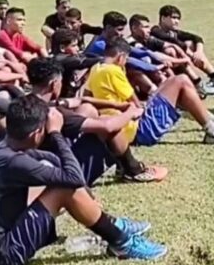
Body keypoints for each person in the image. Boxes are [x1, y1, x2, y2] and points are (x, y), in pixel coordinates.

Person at [0, 96, 168, 265]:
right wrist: (56, 133)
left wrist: (87, 196)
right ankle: (121, 243)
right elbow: (73, 179)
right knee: (64, 189)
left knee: (55, 167)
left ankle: (112, 224)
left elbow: (48, 158)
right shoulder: (10, 161)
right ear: (36, 133)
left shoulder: (1, 148)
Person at [27, 58, 167, 184]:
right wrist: (131, 112)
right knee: (108, 122)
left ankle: (123, 166)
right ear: (54, 84)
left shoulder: (25, 103)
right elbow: (107, 126)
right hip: (64, 173)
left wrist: (117, 105)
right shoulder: (54, 113)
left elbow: (81, 100)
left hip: (39, 163)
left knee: (87, 108)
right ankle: (133, 170)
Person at [86, 38, 214, 147]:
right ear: (121, 57)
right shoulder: (113, 71)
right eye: (126, 60)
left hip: (123, 126)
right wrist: (142, 107)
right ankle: (213, 131)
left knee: (172, 83)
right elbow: (133, 100)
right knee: (181, 80)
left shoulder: (95, 69)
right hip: (138, 129)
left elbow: (87, 95)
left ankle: (212, 125)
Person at [129, 14, 214, 97]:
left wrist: (183, 56)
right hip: (139, 76)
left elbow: (171, 45)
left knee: (170, 54)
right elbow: (154, 56)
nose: (149, 30)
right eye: (145, 27)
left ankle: (192, 88)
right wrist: (184, 60)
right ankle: (177, 95)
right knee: (161, 71)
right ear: (134, 28)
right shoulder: (132, 43)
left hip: (151, 68)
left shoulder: (147, 39)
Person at [152, 5, 214, 91]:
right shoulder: (155, 31)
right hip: (162, 67)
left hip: (177, 65)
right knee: (172, 50)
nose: (177, 21)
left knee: (190, 43)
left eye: (178, 19)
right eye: (173, 18)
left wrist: (198, 52)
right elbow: (174, 42)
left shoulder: (173, 32)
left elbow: (197, 38)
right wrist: (192, 55)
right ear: (163, 18)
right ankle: (198, 84)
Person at [85, 11, 165, 96]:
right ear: (108, 28)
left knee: (148, 69)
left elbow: (136, 51)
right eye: (119, 30)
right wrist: (154, 67)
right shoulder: (100, 45)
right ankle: (158, 97)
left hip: (111, 73)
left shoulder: (113, 41)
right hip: (99, 78)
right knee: (135, 73)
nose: (122, 33)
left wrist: (161, 61)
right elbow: (129, 60)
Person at [50, 28, 103, 98]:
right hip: (62, 96)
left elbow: (85, 56)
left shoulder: (65, 56)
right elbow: (82, 62)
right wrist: (105, 59)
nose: (77, 48)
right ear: (62, 48)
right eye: (74, 46)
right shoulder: (60, 59)